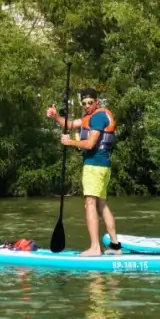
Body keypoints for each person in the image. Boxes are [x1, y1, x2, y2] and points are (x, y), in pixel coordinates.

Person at [47, 88, 121, 256]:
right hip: (102, 167)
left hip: (94, 167)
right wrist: (55, 116)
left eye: (90, 103)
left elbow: (90, 144)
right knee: (101, 205)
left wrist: (70, 142)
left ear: (97, 102)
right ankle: (115, 246)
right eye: (84, 103)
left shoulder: (98, 117)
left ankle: (95, 248)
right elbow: (71, 124)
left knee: (89, 204)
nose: (87, 106)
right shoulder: (91, 117)